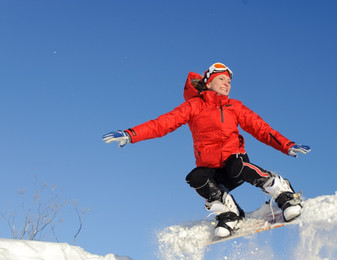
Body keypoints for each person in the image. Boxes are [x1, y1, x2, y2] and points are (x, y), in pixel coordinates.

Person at [102, 62, 310, 237]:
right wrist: (132, 134)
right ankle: (231, 214)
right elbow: (162, 124)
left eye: (229, 82)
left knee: (238, 166)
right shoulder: (194, 106)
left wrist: (287, 145)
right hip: (212, 168)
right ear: (208, 81)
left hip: (234, 162)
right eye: (222, 80)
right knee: (196, 177)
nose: (227, 84)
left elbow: (261, 129)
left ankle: (284, 194)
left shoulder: (234, 106)